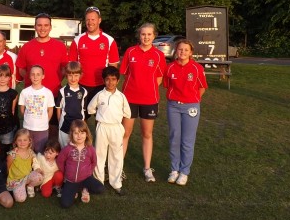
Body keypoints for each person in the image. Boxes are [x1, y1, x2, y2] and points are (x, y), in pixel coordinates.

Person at [120, 23, 167, 183]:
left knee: (147, 134)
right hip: (129, 99)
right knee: (125, 133)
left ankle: (147, 168)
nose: (146, 37)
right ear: (139, 36)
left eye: (149, 34)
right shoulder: (130, 51)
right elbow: (125, 74)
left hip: (149, 100)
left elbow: (159, 78)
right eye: (143, 34)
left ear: (154, 36)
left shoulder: (159, 55)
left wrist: (147, 89)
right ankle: (118, 167)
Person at [16, 13, 68, 139]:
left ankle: (52, 156)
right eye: (39, 25)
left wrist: (55, 80)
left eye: (46, 25)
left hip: (54, 93)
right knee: (31, 130)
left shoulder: (60, 46)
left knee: (53, 129)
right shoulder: (27, 47)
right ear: (35, 27)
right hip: (32, 96)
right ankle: (30, 157)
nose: (42, 28)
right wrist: (31, 80)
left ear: (50, 27)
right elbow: (21, 69)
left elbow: (64, 68)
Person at [164, 39, 208, 186]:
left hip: (191, 107)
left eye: (186, 50)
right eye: (180, 49)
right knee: (174, 138)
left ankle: (184, 172)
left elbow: (202, 88)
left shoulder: (197, 68)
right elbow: (167, 85)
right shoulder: (170, 68)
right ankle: (174, 170)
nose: (182, 52)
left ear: (191, 52)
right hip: (173, 106)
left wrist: (192, 100)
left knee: (187, 141)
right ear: (176, 51)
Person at [88, 66, 131, 195]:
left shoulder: (121, 97)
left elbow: (127, 113)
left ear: (118, 81)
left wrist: (120, 128)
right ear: (104, 80)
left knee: (116, 156)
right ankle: (99, 181)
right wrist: (100, 117)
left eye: (113, 79)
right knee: (100, 155)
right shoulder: (99, 95)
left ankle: (116, 182)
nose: (110, 82)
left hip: (116, 128)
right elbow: (91, 109)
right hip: (102, 127)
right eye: (107, 79)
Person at [68, 6, 120, 108]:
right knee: (82, 116)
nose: (90, 22)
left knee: (100, 117)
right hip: (81, 84)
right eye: (87, 19)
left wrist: (110, 85)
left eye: (93, 19)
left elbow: (113, 67)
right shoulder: (77, 40)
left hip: (102, 85)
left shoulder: (109, 40)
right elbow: (71, 66)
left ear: (99, 20)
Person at [56, 120, 105, 208]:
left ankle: (84, 188)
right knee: (65, 204)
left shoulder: (90, 149)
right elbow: (60, 161)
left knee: (100, 188)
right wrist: (66, 173)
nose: (79, 136)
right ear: (71, 134)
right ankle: (76, 189)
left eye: (82, 133)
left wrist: (88, 173)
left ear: (86, 134)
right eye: (76, 133)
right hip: (71, 181)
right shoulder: (67, 149)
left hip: (86, 178)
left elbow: (94, 162)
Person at [18, 65, 55, 153]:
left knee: (40, 152)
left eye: (38, 74)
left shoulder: (48, 92)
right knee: (27, 151)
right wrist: (28, 119)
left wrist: (45, 121)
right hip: (28, 127)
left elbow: (50, 110)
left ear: (43, 76)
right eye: (33, 74)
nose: (35, 77)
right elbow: (22, 109)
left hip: (42, 129)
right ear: (29, 76)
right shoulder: (25, 92)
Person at [55, 61, 88, 148]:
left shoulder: (84, 91)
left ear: (80, 75)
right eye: (70, 75)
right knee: (64, 148)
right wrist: (60, 122)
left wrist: (83, 124)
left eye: (76, 75)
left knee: (77, 148)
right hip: (65, 125)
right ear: (66, 75)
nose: (73, 78)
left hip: (78, 126)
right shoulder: (62, 91)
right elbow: (58, 108)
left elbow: (83, 110)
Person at [6, 129, 43, 202]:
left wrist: (37, 169)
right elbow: (7, 167)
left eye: (25, 140)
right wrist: (8, 179)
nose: (22, 142)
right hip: (15, 180)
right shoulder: (12, 154)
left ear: (29, 141)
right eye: (19, 140)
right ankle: (20, 187)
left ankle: (30, 186)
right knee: (21, 199)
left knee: (40, 177)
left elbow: (35, 162)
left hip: (26, 177)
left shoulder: (31, 152)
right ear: (15, 141)